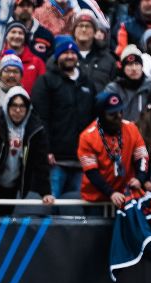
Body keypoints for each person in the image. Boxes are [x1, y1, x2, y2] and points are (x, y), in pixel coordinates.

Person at [31, 37, 99, 197]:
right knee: (50, 209)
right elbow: (40, 119)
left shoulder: (87, 83)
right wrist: (46, 150)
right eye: (65, 52)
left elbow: (94, 120)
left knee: (74, 214)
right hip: (55, 161)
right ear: (57, 55)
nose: (69, 56)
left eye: (72, 52)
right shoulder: (45, 81)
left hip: (81, 160)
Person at [78, 89, 149, 207]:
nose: (118, 116)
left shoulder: (131, 128)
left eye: (120, 111)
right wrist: (111, 193)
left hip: (126, 194)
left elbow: (142, 156)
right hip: (97, 198)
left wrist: (140, 178)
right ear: (101, 115)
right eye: (112, 114)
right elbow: (91, 171)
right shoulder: (87, 137)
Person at [0, 87, 54, 211]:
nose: (17, 110)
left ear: (28, 108)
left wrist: (45, 192)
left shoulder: (35, 129)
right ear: (6, 106)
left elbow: (41, 163)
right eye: (14, 106)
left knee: (9, 223)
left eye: (22, 106)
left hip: (16, 185)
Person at [106, 45, 151, 123]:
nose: (134, 68)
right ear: (123, 68)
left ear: (142, 66)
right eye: (129, 64)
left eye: (137, 64)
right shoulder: (113, 89)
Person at [72, 8, 119, 91]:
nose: (84, 29)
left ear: (95, 31)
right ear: (74, 30)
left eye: (88, 26)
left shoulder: (108, 60)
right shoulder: (63, 57)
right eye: (80, 25)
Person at [0, 21, 47, 93]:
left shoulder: (37, 62)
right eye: (13, 32)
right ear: (6, 35)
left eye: (20, 33)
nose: (17, 36)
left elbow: (43, 89)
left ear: (25, 37)